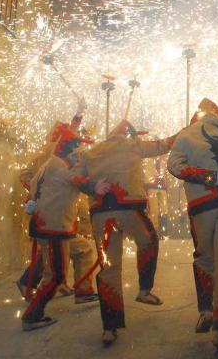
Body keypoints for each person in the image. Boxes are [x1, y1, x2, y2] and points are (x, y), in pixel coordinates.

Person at [72, 120, 178, 345]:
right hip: (130, 210)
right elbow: (165, 144)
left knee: (109, 269)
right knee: (149, 241)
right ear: (126, 134)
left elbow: (74, 177)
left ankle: (109, 328)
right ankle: (144, 289)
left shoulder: (91, 152)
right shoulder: (133, 145)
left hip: (101, 214)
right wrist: (190, 129)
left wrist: (92, 187)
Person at [167, 98, 218, 352]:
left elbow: (174, 166)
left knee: (204, 258)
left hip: (202, 205)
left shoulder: (186, 134)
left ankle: (206, 310)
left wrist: (207, 177)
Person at [21, 124, 109, 331]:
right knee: (56, 276)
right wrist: (94, 186)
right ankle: (31, 317)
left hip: (52, 225)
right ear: (68, 150)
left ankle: (84, 292)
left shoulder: (50, 164)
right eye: (76, 152)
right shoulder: (60, 167)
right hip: (52, 229)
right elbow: (76, 180)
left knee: (84, 249)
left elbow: (33, 187)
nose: (78, 156)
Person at [16, 111, 97, 303]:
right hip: (50, 215)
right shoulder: (52, 156)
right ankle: (32, 294)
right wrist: (42, 193)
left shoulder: (55, 153)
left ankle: (73, 287)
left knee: (66, 251)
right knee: (51, 255)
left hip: (58, 212)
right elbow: (27, 176)